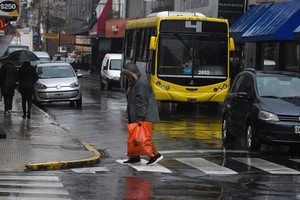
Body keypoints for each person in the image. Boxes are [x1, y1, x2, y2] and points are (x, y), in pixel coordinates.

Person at [121, 62, 163, 165]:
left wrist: (140, 117)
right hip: (136, 113)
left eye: (127, 76)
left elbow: (142, 102)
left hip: (143, 115)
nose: (126, 78)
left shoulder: (140, 84)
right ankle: (134, 156)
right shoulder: (136, 82)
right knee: (135, 135)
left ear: (132, 74)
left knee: (144, 137)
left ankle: (155, 155)